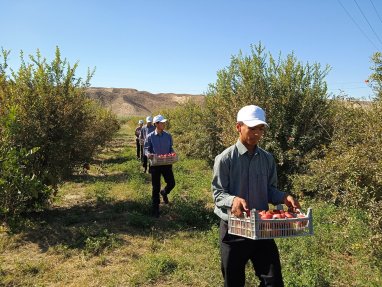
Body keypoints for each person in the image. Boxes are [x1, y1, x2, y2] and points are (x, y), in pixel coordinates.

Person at [211, 105, 301, 287]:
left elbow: (269, 190)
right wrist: (233, 200)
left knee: (274, 282)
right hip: (234, 229)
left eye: (260, 129)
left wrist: (284, 197)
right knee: (233, 282)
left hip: (262, 228)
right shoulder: (225, 159)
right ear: (239, 127)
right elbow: (218, 194)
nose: (257, 133)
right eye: (252, 128)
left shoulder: (267, 159)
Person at [144, 114, 176, 217]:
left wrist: (172, 153)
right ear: (156, 124)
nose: (164, 124)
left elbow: (170, 148)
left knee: (171, 183)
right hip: (155, 165)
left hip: (166, 163)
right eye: (162, 123)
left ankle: (164, 192)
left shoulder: (168, 136)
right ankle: (155, 209)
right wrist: (148, 154)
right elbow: (146, 149)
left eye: (164, 122)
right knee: (155, 187)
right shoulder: (150, 137)